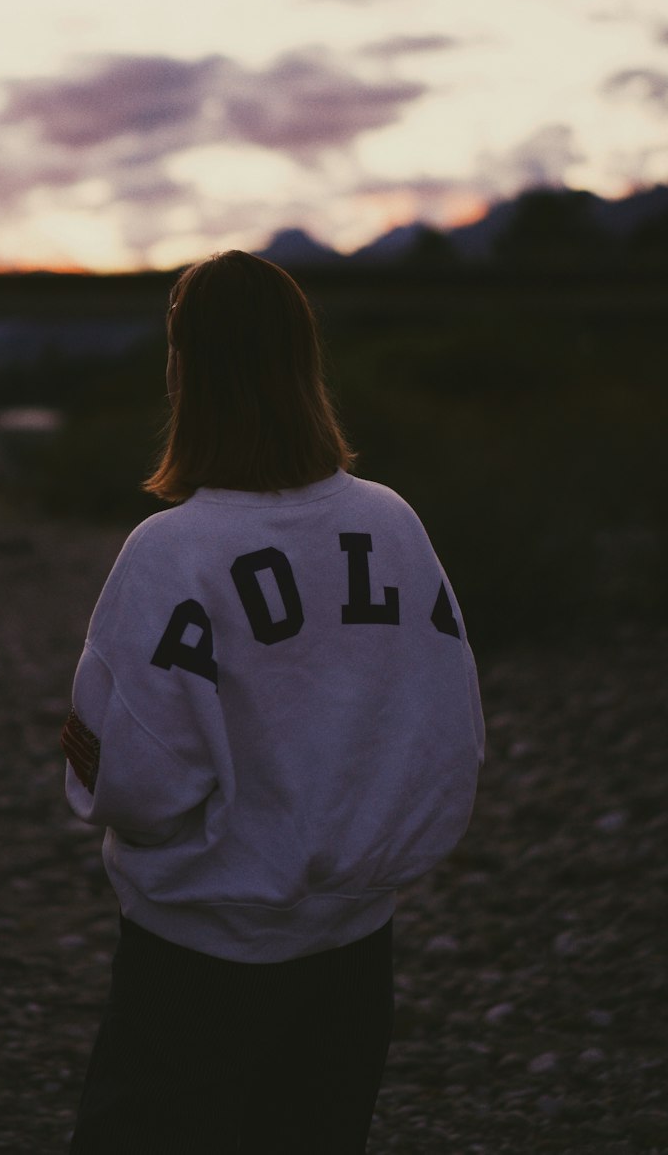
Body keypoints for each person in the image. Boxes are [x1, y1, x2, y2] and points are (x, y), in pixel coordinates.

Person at [61, 250, 484, 1154]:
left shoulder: (172, 551)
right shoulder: (394, 524)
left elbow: (133, 779)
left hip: (197, 958)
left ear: (185, 372)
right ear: (305, 365)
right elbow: (450, 734)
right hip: (355, 953)